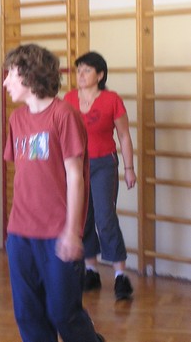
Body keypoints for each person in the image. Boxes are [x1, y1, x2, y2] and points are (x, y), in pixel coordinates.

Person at [3, 44, 105, 342]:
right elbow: (25, 174)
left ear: (29, 74)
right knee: (28, 314)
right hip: (20, 233)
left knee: (63, 313)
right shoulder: (16, 120)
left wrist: (72, 232)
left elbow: (75, 177)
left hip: (57, 233)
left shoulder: (64, 115)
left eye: (10, 74)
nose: (5, 82)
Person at [64, 51, 136, 301]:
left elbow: (124, 136)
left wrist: (129, 168)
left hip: (104, 163)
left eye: (87, 70)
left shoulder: (111, 100)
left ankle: (120, 276)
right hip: (76, 165)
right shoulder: (69, 99)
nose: (81, 75)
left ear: (100, 74)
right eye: (79, 70)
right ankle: (91, 270)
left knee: (105, 218)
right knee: (83, 218)